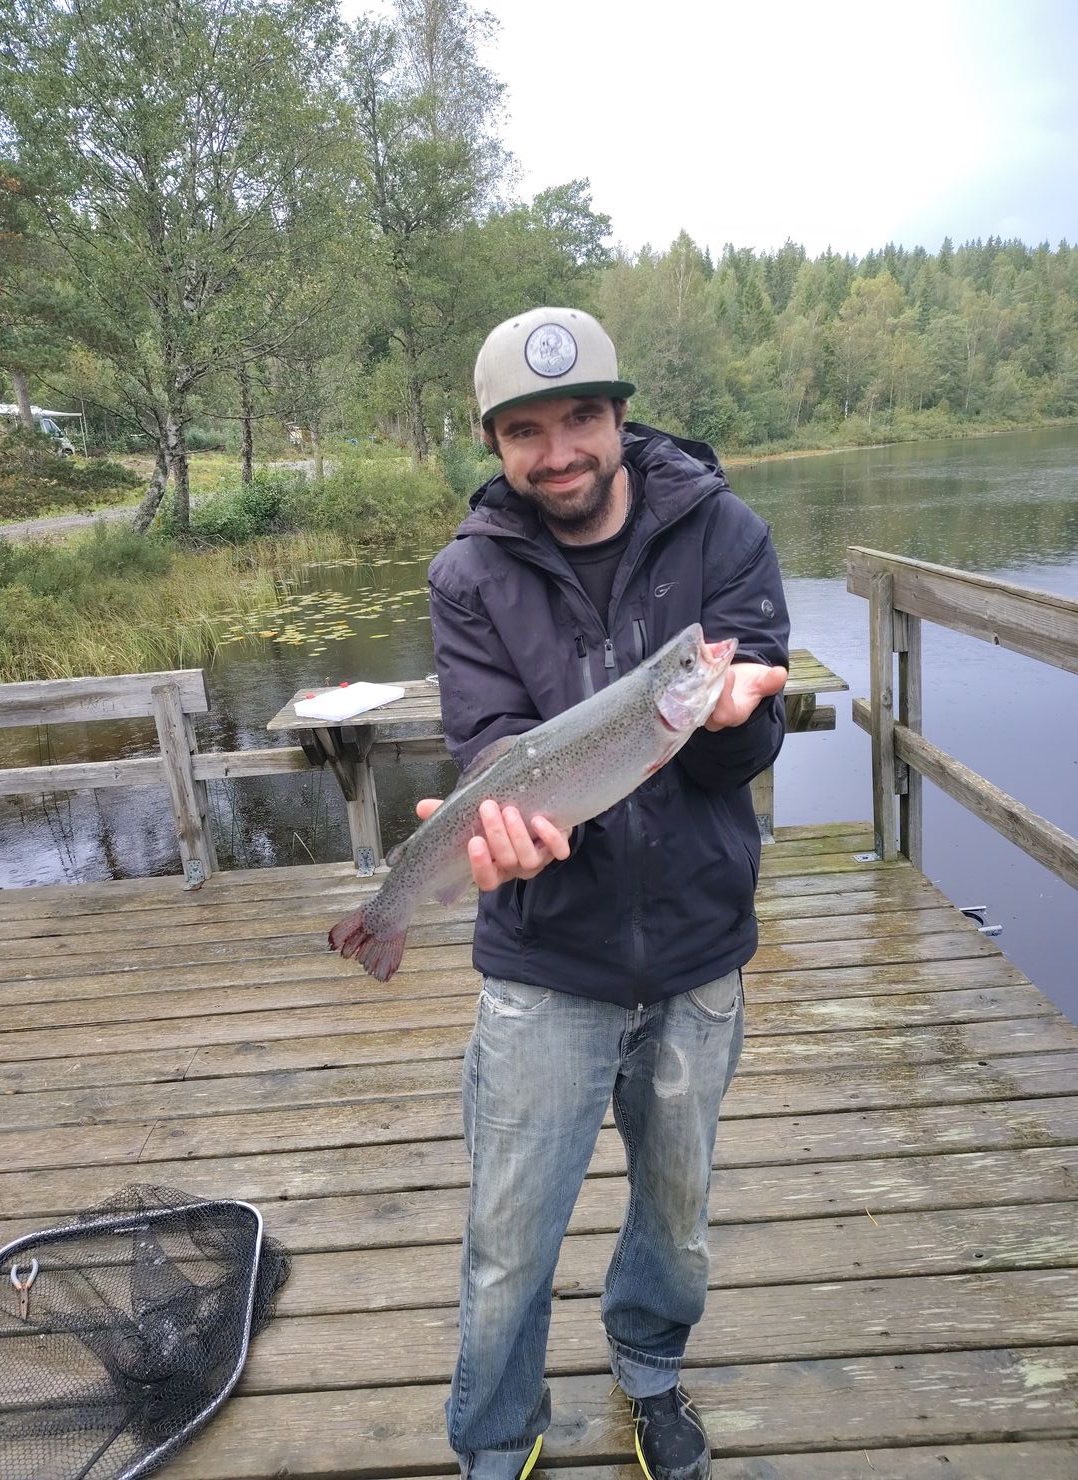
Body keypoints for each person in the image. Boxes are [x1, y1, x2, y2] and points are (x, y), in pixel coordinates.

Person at [421, 306, 790, 1480]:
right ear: (495, 443)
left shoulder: (723, 532)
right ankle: (495, 1436)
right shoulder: (468, 576)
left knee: (676, 1218)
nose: (559, 451)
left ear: (620, 416)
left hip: (696, 950)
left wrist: (735, 721)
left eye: (580, 416)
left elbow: (749, 737)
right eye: (524, 430)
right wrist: (499, 831)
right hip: (546, 959)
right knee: (507, 1236)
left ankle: (650, 1370)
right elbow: (492, 741)